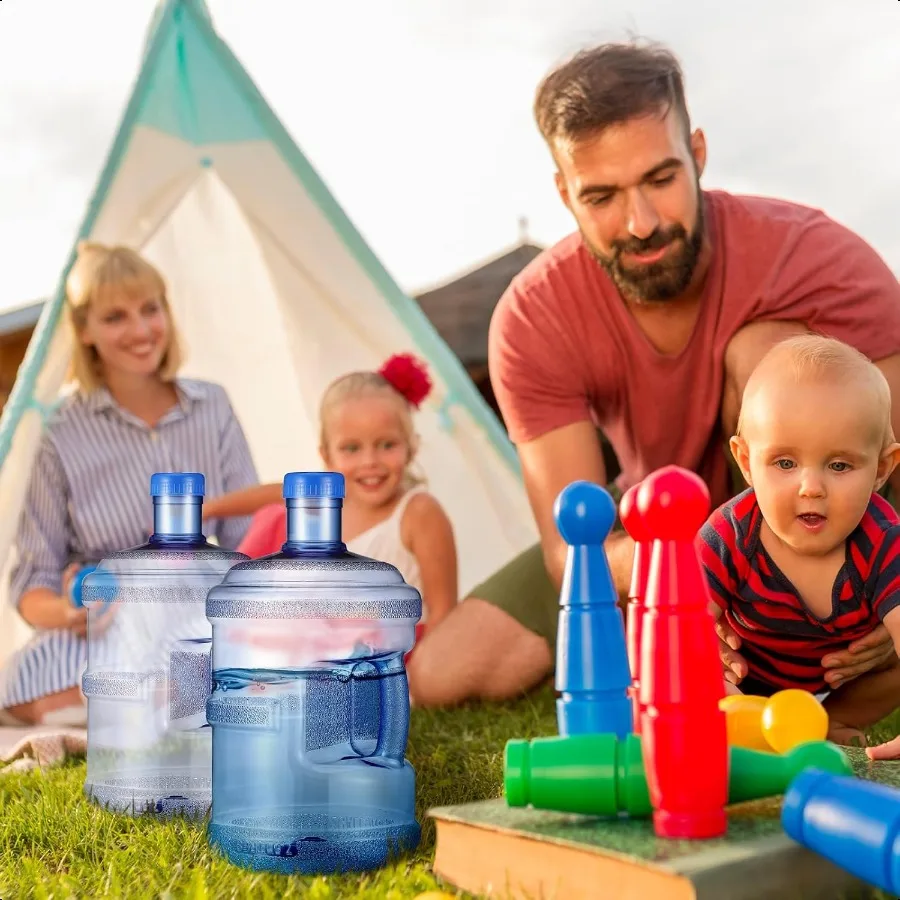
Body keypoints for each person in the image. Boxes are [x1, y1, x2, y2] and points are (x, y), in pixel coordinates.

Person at [404, 39, 900, 709]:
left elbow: (888, 460)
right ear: (564, 192)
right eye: (602, 196)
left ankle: (796, 646)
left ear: (696, 154)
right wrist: (677, 583)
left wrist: (878, 603)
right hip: (653, 531)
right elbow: (567, 551)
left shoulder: (822, 262)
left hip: (813, 522)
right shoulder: (533, 317)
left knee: (767, 353)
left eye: (661, 180)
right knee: (442, 672)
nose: (640, 224)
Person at [0, 242, 259, 726]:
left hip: (199, 608)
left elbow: (247, 542)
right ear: (84, 330)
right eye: (116, 316)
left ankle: (150, 701)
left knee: (216, 648)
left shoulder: (213, 406)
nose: (141, 330)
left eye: (150, 309)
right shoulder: (58, 434)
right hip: (103, 626)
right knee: (23, 684)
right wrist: (71, 613)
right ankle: (160, 701)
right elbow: (34, 582)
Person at [697, 334, 900, 744]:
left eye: (839, 465)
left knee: (893, 667)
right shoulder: (729, 534)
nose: (811, 487)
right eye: (785, 462)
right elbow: (678, 625)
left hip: (840, 684)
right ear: (746, 461)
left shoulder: (882, 540)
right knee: (688, 659)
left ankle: (828, 723)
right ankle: (743, 725)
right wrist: (706, 664)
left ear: (881, 469)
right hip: (745, 681)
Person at [201, 353, 459, 633]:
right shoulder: (328, 501)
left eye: (387, 445)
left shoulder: (418, 513)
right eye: (351, 448)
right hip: (322, 656)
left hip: (391, 662)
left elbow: (443, 615)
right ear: (327, 456)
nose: (370, 461)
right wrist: (209, 508)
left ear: (411, 446)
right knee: (275, 519)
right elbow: (272, 494)